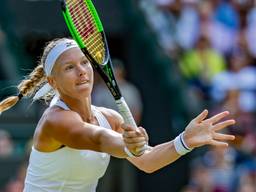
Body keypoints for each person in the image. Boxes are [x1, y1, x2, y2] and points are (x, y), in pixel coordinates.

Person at [0, 38, 236, 192]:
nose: (82, 72)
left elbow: (148, 161)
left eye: (84, 63)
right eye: (69, 68)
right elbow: (98, 139)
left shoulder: (109, 117)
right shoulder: (56, 120)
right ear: (53, 81)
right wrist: (127, 144)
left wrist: (184, 141)